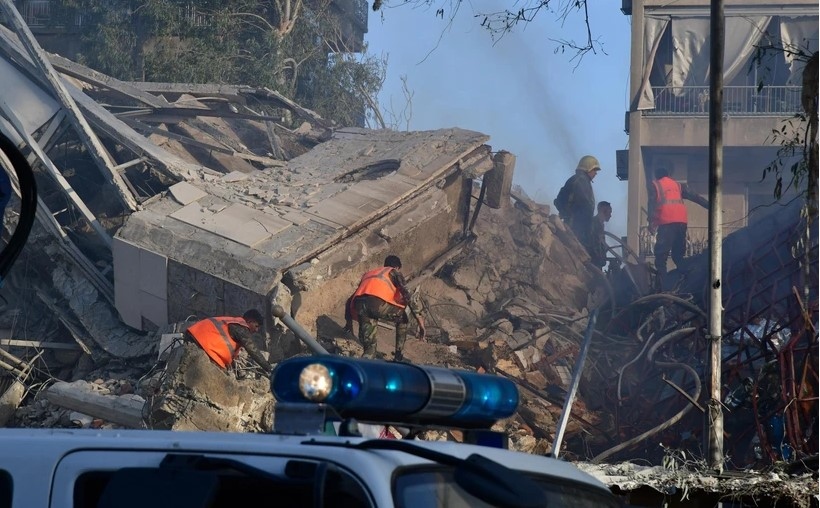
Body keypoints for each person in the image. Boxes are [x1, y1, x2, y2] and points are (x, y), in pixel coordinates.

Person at [347, 255, 425, 361]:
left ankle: (365, 362)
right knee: (403, 318)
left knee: (370, 349)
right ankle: (398, 357)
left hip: (360, 305)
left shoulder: (369, 274)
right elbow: (407, 295)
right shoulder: (394, 272)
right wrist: (420, 321)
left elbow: (351, 298)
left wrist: (348, 322)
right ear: (397, 267)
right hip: (376, 304)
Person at [648, 166, 708, 284]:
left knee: (660, 258)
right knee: (678, 256)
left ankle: (664, 286)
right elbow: (695, 197)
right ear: (668, 175)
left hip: (666, 223)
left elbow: (652, 205)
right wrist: (711, 205)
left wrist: (651, 223)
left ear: (657, 176)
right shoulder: (677, 185)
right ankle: (687, 281)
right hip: (681, 223)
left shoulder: (656, 185)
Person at [184, 309, 272, 372]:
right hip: (203, 345)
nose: (256, 330)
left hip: (195, 336)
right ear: (250, 321)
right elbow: (252, 349)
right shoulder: (241, 327)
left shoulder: (232, 322)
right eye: (256, 326)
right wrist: (268, 368)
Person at [553, 155, 601, 250]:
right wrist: (568, 214)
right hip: (575, 228)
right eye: (594, 170)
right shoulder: (580, 181)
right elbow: (585, 207)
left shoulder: (581, 180)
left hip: (580, 227)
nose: (596, 173)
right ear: (588, 168)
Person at [589, 201, 612, 269]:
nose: (610, 215)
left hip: (598, 263)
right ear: (603, 211)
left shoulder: (601, 225)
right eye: (609, 212)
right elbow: (593, 244)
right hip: (593, 262)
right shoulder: (593, 224)